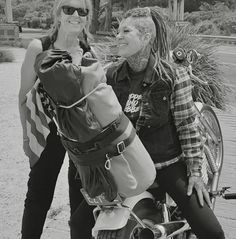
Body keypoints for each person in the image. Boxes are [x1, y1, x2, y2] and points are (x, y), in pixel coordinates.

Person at [105, 7, 225, 239]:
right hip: (127, 167)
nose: (118, 36)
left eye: (125, 31)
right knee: (79, 224)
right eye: (117, 31)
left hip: (166, 165)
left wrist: (195, 173)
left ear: (146, 37)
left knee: (211, 231)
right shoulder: (111, 75)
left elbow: (187, 127)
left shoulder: (172, 76)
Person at [18, 0, 95, 238]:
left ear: (87, 17)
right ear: (58, 14)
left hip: (78, 133)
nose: (75, 15)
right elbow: (23, 96)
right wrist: (25, 136)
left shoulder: (89, 50)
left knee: (79, 197)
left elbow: (91, 97)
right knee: (39, 195)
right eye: (68, 9)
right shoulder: (38, 47)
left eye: (82, 11)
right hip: (47, 129)